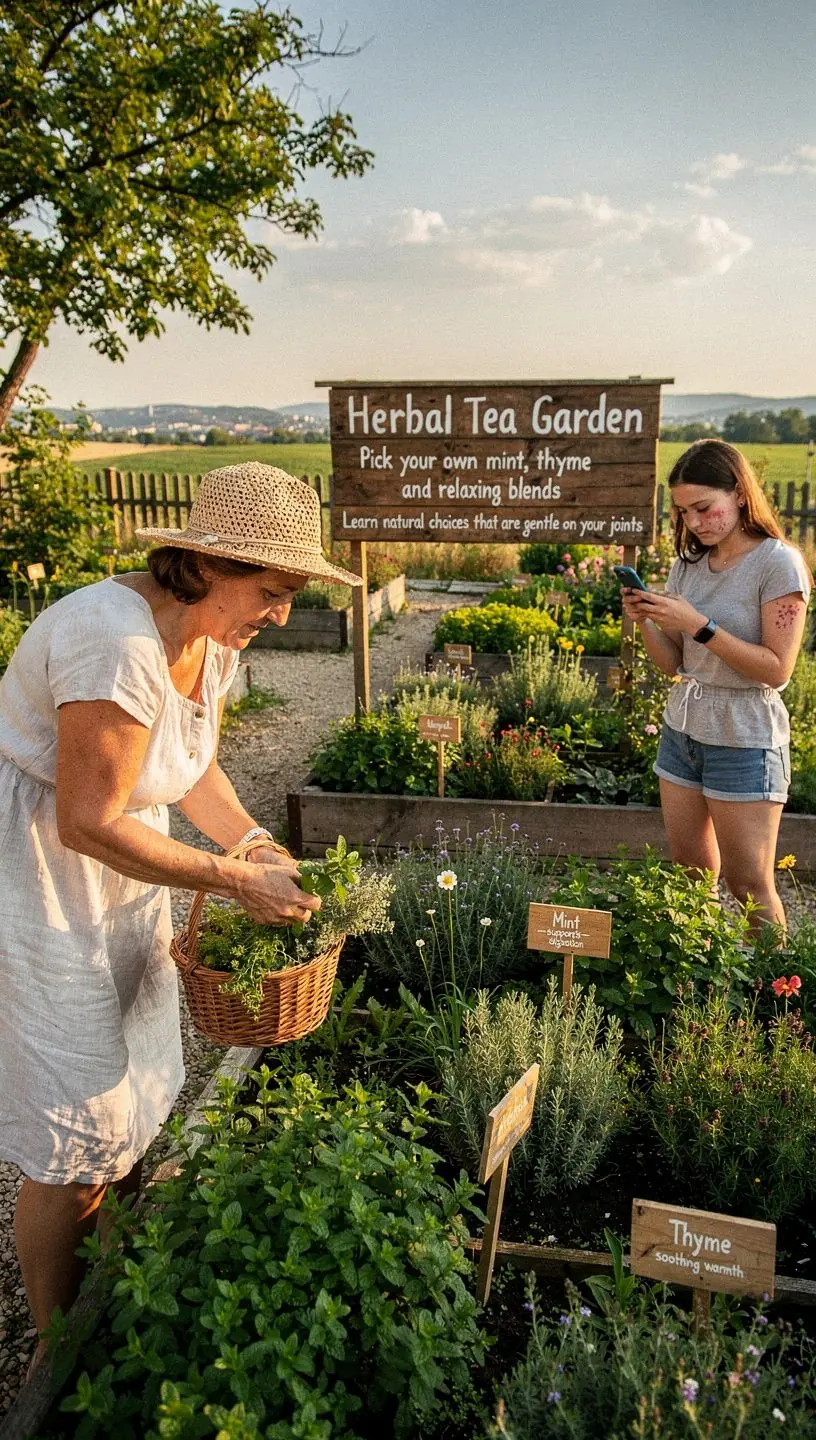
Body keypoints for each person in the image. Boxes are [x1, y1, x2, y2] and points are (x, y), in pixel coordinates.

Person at [0, 461, 362, 1370]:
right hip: (43, 874)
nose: (283, 614)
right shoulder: (111, 642)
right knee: (75, 1116)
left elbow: (192, 768)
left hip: (127, 867)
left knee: (126, 1085)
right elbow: (86, 821)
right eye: (271, 591)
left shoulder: (211, 635)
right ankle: (56, 1348)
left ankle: (114, 1274)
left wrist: (253, 845)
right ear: (206, 565)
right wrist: (232, 883)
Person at [623, 439, 811, 930]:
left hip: (746, 736)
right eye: (684, 512)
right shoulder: (688, 564)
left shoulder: (778, 564)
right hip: (683, 729)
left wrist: (699, 624)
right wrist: (646, 620)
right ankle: (701, 973)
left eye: (704, 508)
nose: (695, 523)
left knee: (748, 885)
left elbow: (777, 669)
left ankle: (774, 980)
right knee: (691, 874)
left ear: (740, 494)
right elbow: (673, 664)